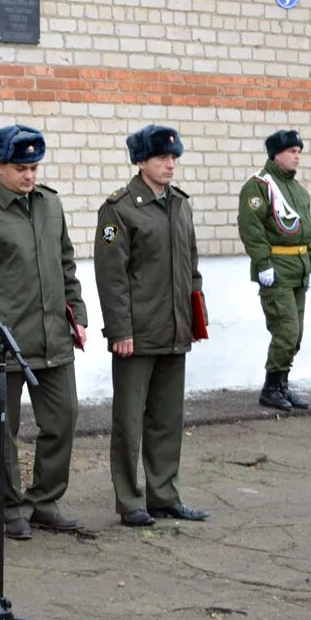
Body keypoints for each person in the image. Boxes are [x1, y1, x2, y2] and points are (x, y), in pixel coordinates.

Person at [0, 124, 88, 540]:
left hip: (52, 337)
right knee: (4, 432)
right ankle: (11, 509)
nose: (29, 176)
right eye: (20, 167)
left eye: (34, 167)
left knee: (63, 419)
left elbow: (66, 265)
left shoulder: (50, 204)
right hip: (5, 343)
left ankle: (44, 501)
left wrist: (77, 313)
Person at [94, 124, 210, 528]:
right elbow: (112, 278)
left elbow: (191, 267)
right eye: (162, 157)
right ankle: (130, 501)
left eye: (174, 157)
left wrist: (196, 317)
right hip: (137, 335)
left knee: (167, 419)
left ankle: (165, 494)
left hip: (174, 329)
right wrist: (120, 331)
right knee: (130, 421)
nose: (170, 164)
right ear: (141, 161)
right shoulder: (120, 209)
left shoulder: (180, 204)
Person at [238, 130, 311, 412]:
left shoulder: (297, 191)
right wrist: (263, 264)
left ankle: (281, 384)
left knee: (295, 335)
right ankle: (271, 388)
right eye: (292, 151)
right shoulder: (259, 187)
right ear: (276, 154)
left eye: (299, 151)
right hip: (277, 272)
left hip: (298, 271)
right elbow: (252, 229)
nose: (297, 156)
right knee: (285, 331)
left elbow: (306, 231)